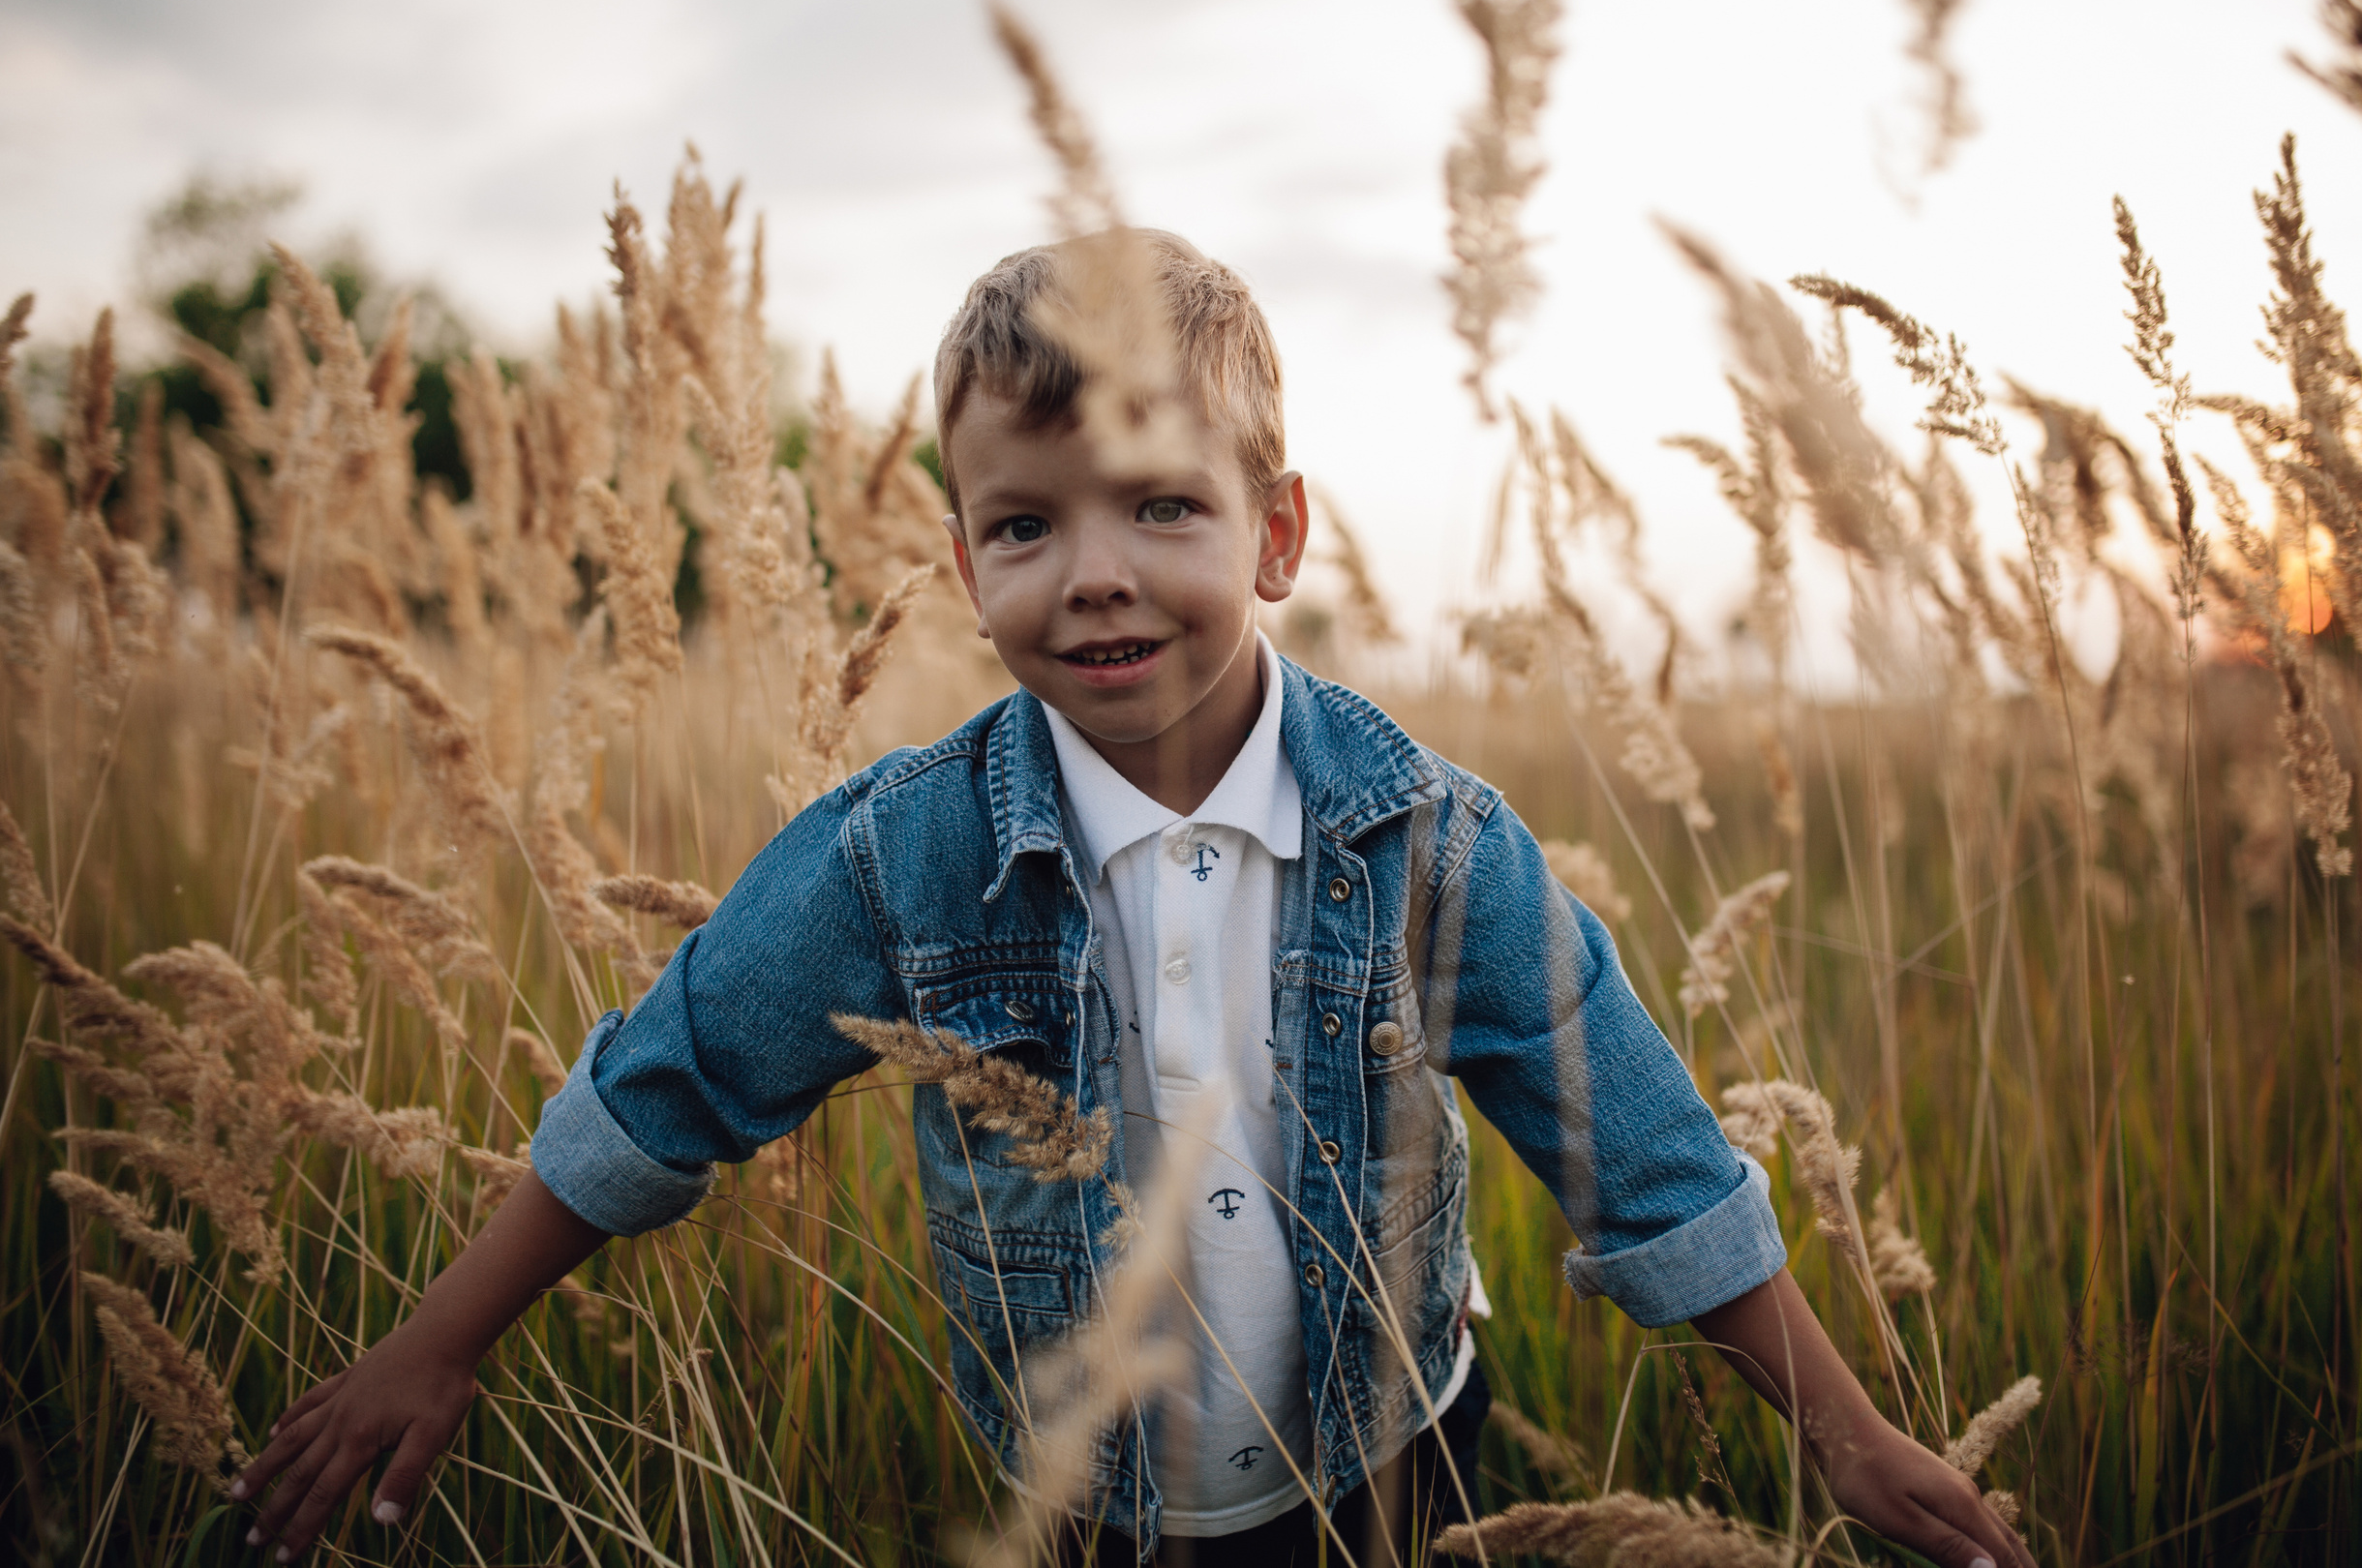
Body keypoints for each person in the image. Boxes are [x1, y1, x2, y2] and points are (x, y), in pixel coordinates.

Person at [231, 230, 2032, 1568]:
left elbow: (1638, 1154)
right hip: (1088, 1506)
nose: (1093, 578)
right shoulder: (900, 858)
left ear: (1275, 531)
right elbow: (671, 1079)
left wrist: (1850, 1439)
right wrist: (434, 1344)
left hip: (1399, 1468)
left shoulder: (1429, 843)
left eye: (1160, 508)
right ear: (960, 561)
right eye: (1025, 528)